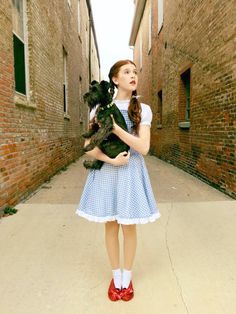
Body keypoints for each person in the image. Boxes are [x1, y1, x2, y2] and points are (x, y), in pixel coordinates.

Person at [76, 60, 160, 301]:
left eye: (135, 72)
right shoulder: (99, 108)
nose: (133, 75)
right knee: (111, 226)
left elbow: (143, 148)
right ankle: (116, 277)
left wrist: (117, 129)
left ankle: (127, 277)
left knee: (128, 226)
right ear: (115, 79)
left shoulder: (143, 109)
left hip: (131, 172)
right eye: (127, 72)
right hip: (108, 172)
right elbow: (87, 147)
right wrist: (110, 160)